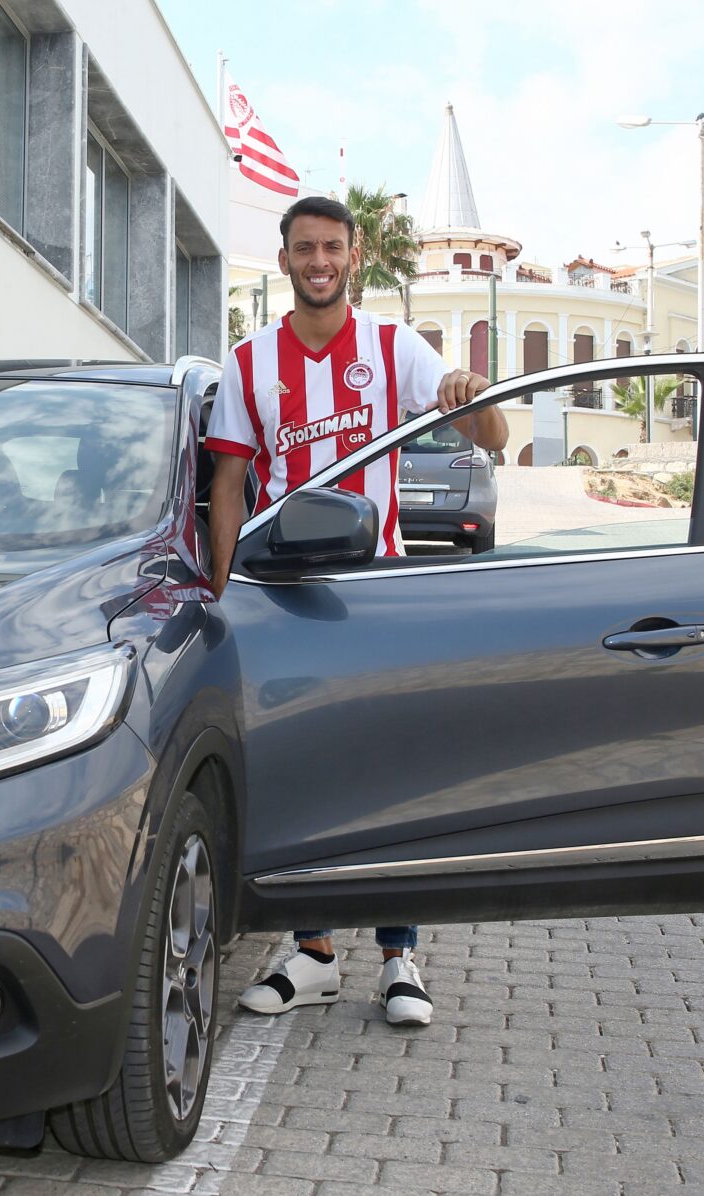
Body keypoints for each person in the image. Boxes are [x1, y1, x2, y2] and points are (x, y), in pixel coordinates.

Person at [204, 195, 506, 1024]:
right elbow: (227, 484)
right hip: (286, 601)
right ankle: (313, 955)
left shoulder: (392, 346)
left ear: (353, 256)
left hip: (379, 595)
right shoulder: (249, 362)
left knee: (390, 774)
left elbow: (493, 437)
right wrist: (225, 593)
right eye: (305, 248)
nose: (319, 262)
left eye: (332, 248)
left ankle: (400, 959)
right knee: (301, 772)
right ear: (285, 260)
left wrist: (470, 393)